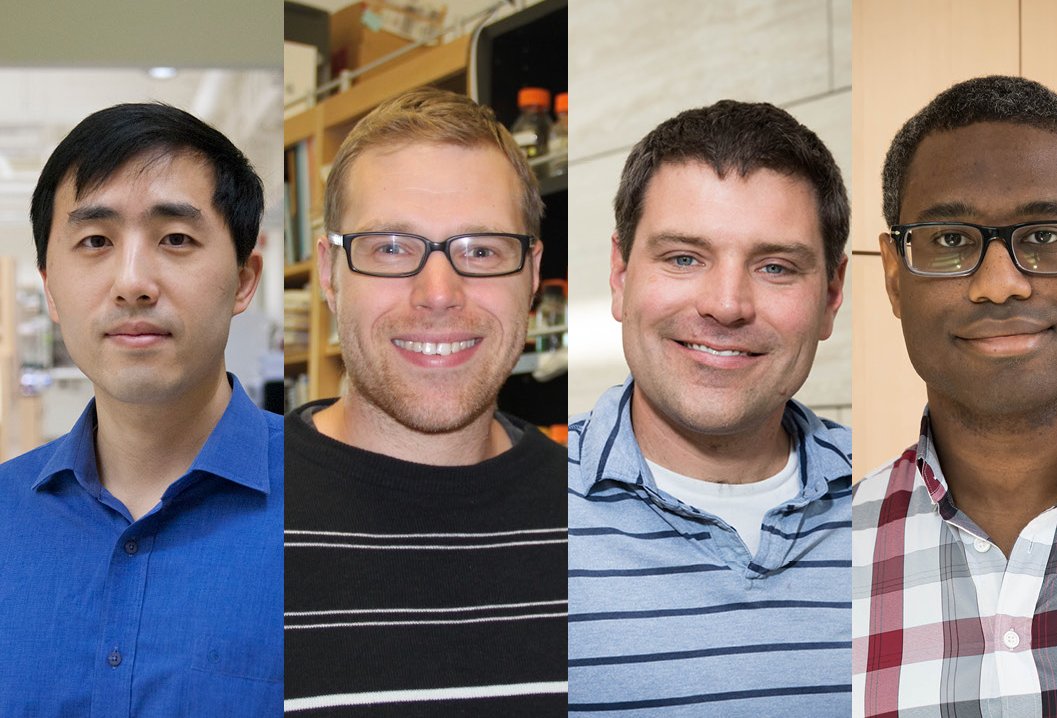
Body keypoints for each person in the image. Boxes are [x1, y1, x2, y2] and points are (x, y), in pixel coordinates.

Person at [852, 76, 1057, 716]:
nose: (999, 285)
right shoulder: (833, 554)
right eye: (951, 241)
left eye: (1044, 236)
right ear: (894, 278)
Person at [283, 87, 567, 716]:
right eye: (391, 248)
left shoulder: (603, 521)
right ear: (329, 274)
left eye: (481, 250)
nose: (439, 292)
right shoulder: (234, 521)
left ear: (531, 275)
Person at [566, 100, 851, 716]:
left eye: (775, 267)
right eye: (684, 258)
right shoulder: (520, 520)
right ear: (620, 275)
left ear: (832, 295)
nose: (726, 305)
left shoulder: (907, 502)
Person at [0, 103, 279, 715]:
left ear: (244, 280)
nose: (132, 283)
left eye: (176, 239)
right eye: (95, 241)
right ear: (50, 289)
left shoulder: (323, 508)